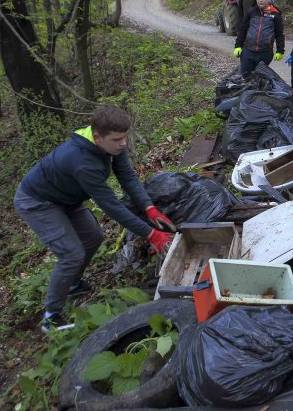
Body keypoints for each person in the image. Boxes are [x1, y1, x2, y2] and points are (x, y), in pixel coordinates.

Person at [13, 105, 174, 332]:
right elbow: (110, 205)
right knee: (71, 253)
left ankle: (72, 284)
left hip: (66, 197)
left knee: (93, 237)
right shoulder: (81, 161)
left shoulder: (111, 145)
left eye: (125, 137)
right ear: (97, 137)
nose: (124, 143)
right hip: (38, 202)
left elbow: (127, 177)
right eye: (118, 139)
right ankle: (51, 317)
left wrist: (149, 208)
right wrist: (151, 234)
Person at [234, 0, 285, 75]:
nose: (260, 0)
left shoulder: (275, 14)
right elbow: (243, 29)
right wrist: (238, 46)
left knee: (260, 78)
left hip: (265, 53)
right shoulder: (251, 12)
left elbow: (279, 34)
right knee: (245, 76)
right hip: (248, 51)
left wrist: (280, 51)